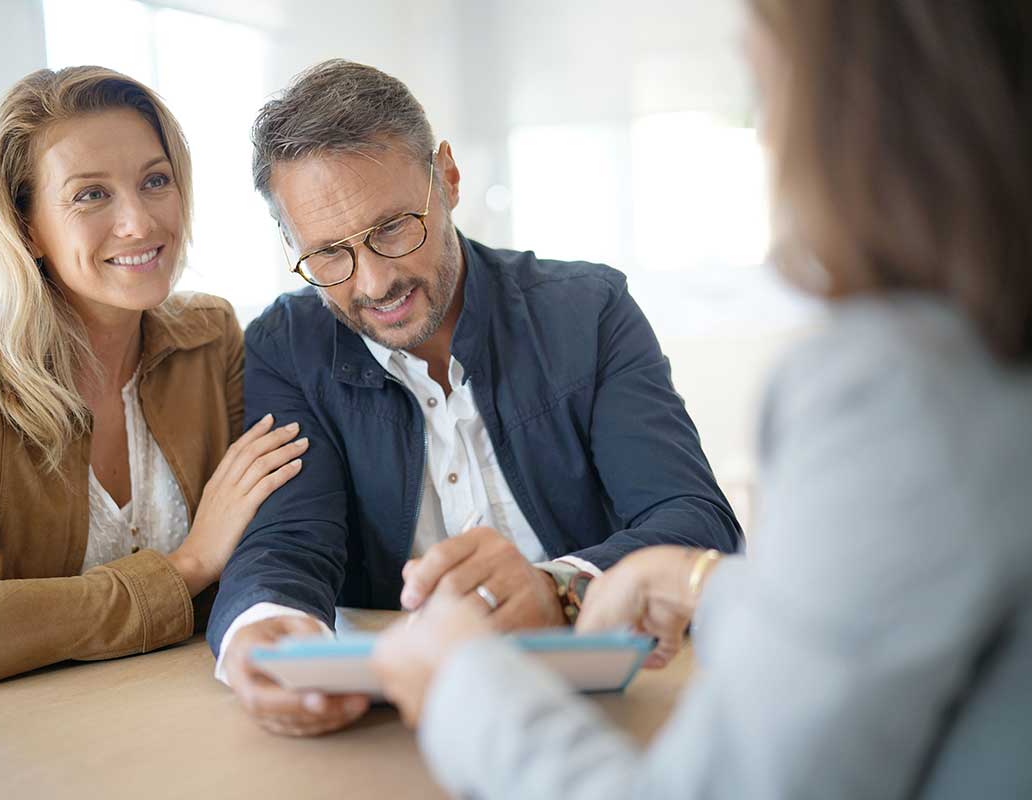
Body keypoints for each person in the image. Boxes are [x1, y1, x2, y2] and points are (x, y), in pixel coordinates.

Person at [371, 1, 1032, 797]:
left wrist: (459, 685)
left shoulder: (901, 394)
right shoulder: (974, 379)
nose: (768, 137)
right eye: (329, 254)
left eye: (765, 86)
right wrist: (704, 585)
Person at [208, 59, 743, 736]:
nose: (373, 283)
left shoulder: (590, 310)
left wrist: (559, 590)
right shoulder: (287, 346)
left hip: (605, 716)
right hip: (395, 730)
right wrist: (262, 632)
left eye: (394, 228)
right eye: (328, 256)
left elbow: (696, 520)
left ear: (448, 180)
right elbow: (287, 542)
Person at [0, 66, 303, 696]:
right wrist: (186, 568)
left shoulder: (211, 338)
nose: (139, 222)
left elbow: (265, 557)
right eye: (90, 195)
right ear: (26, 228)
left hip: (161, 706)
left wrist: (22, 630)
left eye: (155, 181)